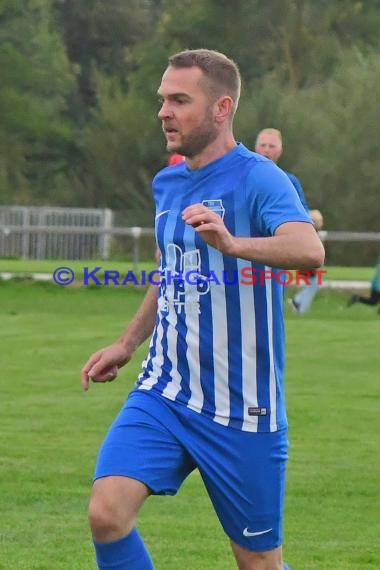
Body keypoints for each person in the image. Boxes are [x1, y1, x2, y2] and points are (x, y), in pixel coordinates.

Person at [82, 49, 324, 570]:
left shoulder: (260, 178)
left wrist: (234, 245)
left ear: (221, 109)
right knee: (107, 513)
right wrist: (126, 344)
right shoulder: (166, 183)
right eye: (162, 99)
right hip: (165, 392)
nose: (163, 111)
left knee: (258, 562)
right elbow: (169, 272)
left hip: (243, 406)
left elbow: (309, 250)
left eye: (179, 100)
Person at [255, 128, 324, 314]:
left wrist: (313, 217)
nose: (267, 150)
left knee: (271, 314)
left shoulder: (289, 181)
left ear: (280, 151)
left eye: (271, 146)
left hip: (275, 256)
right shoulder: (242, 178)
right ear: (255, 148)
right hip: (244, 253)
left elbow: (302, 215)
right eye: (263, 145)